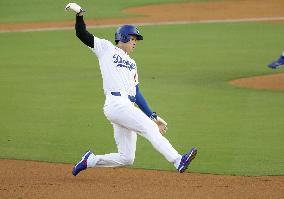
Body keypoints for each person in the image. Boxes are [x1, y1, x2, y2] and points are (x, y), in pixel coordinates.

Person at [65, 3, 197, 176]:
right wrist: (80, 15)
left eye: (136, 40)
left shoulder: (133, 64)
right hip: (115, 103)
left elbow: (136, 93)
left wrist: (153, 116)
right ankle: (178, 160)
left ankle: (90, 160)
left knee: (127, 158)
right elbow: (82, 34)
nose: (135, 43)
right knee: (149, 129)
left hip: (126, 106)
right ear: (124, 37)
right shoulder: (106, 49)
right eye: (133, 39)